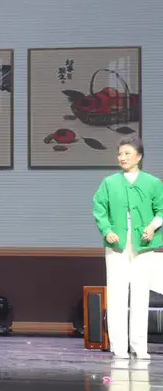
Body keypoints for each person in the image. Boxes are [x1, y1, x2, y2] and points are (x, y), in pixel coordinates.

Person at [93, 136, 163, 359]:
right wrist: (107, 230)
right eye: (120, 154)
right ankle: (119, 346)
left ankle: (139, 345)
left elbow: (161, 209)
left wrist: (152, 226)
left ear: (138, 157)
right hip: (117, 244)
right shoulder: (109, 183)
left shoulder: (153, 183)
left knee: (140, 294)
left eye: (127, 153)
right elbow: (99, 208)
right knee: (117, 294)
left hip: (143, 244)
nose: (122, 158)